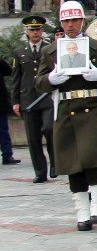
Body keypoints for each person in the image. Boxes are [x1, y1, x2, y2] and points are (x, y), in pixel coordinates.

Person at [34, 1, 97, 230]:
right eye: (66, 21)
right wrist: (51, 80)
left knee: (94, 158)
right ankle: (82, 211)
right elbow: (39, 81)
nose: (70, 25)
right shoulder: (50, 51)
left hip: (92, 107)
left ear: (83, 21)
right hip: (65, 109)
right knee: (72, 161)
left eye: (74, 20)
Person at [11, 15, 54, 182]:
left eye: (38, 29)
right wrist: (15, 101)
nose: (35, 32)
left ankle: (55, 163)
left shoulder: (49, 48)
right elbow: (16, 78)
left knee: (50, 129)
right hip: (28, 98)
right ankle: (40, 171)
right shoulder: (20, 52)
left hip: (47, 97)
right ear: (26, 32)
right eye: (32, 30)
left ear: (42, 31)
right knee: (33, 137)